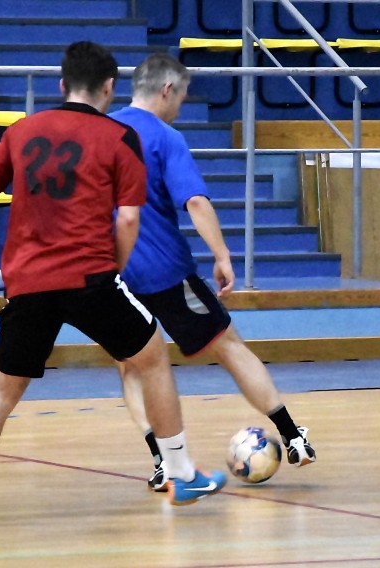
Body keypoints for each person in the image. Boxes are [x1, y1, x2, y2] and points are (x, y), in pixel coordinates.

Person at [0, 42, 226, 526]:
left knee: (2, 393)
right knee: (152, 359)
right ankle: (180, 474)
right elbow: (128, 219)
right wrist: (114, 267)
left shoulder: (22, 131)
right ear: (110, 88)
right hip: (90, 277)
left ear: (62, 85)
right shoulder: (119, 138)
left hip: (27, 282)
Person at [108, 53, 316, 491]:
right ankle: (293, 435)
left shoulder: (102, 132)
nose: (181, 106)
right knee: (229, 345)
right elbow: (196, 202)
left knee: (132, 367)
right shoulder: (166, 137)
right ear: (166, 90)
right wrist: (221, 254)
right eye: (181, 96)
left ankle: (163, 462)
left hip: (115, 274)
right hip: (167, 272)